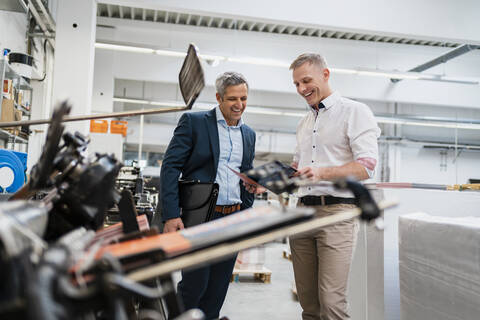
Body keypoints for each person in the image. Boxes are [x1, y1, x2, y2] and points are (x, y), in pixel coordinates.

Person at [160, 71, 261, 319]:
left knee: (217, 289)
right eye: (232, 99)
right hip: (201, 217)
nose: (239, 105)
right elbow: (170, 167)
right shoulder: (194, 123)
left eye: (244, 99)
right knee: (195, 285)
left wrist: (253, 193)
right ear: (218, 97)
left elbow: (246, 174)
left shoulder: (248, 134)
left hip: (233, 219)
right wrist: (171, 215)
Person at [289, 53, 380, 320]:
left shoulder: (355, 112)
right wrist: (267, 182)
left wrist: (322, 172)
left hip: (336, 214)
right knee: (309, 303)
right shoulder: (304, 122)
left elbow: (366, 166)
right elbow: (298, 168)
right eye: (296, 84)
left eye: (306, 80)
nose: (301, 89)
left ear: (325, 74)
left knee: (331, 302)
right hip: (301, 213)